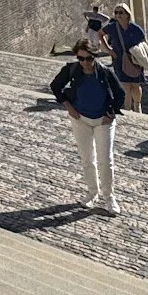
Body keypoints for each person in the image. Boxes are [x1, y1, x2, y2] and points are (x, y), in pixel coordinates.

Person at [50, 38, 125, 214]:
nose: (85, 63)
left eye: (88, 58)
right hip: (80, 119)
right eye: (80, 58)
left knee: (105, 161)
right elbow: (55, 87)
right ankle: (92, 193)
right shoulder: (72, 70)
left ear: (95, 56)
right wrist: (69, 107)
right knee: (87, 159)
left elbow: (120, 94)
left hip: (103, 121)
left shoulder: (105, 72)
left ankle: (109, 196)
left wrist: (111, 113)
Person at [105, 2, 148, 115]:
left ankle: (137, 105)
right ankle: (128, 108)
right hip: (119, 59)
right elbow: (100, 34)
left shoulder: (135, 29)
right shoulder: (112, 27)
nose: (118, 15)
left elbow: (144, 42)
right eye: (116, 12)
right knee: (125, 84)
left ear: (127, 14)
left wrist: (139, 53)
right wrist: (108, 49)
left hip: (134, 60)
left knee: (135, 85)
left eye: (121, 12)